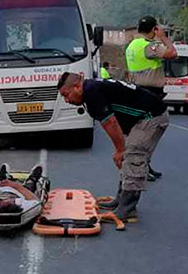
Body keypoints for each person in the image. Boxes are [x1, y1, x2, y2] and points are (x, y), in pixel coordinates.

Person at [57, 73, 168, 223]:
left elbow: (111, 123)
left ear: (77, 86)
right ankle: (121, 199)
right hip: (140, 117)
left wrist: (120, 149)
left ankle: (127, 210)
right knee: (126, 156)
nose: (67, 100)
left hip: (151, 116)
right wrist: (120, 149)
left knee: (133, 154)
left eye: (66, 94)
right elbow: (111, 122)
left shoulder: (91, 92)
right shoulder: (91, 88)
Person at [124, 16, 177, 180]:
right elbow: (172, 54)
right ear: (154, 29)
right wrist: (163, 38)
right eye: (157, 29)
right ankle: (142, 167)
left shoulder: (132, 45)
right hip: (150, 94)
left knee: (141, 131)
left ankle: (144, 165)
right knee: (150, 132)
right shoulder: (149, 46)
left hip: (137, 91)